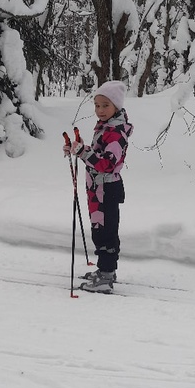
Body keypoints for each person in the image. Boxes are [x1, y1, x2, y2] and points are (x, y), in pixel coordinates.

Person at [64, 80, 133, 294]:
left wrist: (83, 153)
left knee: (106, 233)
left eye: (105, 105)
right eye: (97, 105)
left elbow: (107, 164)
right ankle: (104, 270)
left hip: (107, 190)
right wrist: (80, 149)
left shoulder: (116, 132)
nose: (100, 110)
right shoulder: (104, 128)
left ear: (116, 107)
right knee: (98, 231)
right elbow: (97, 156)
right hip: (97, 191)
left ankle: (106, 274)